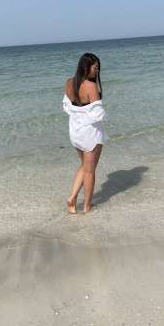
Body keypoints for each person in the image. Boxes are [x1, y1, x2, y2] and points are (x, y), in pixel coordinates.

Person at [63, 53, 109, 214]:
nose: (97, 71)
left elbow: (67, 106)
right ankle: (87, 207)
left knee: (85, 166)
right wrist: (106, 116)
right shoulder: (90, 86)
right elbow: (98, 113)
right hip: (90, 133)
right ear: (85, 67)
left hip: (75, 130)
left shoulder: (69, 82)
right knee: (90, 170)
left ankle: (72, 198)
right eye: (95, 67)